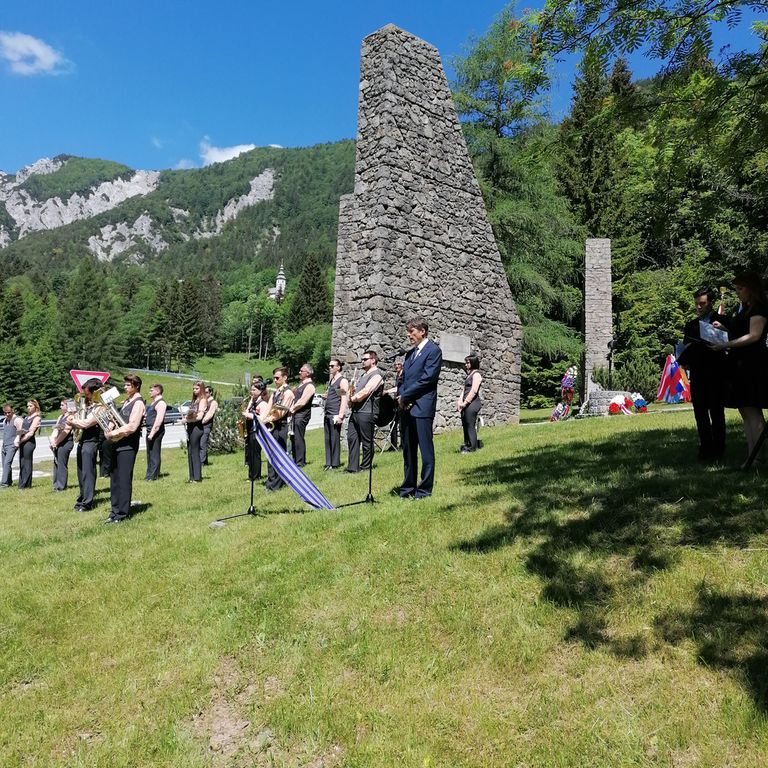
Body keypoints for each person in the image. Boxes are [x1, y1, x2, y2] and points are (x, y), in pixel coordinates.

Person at [711, 272, 768, 467]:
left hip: (753, 364)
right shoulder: (742, 309)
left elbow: (754, 335)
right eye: (736, 289)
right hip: (739, 364)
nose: (737, 292)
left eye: (740, 288)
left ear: (751, 288)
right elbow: (740, 331)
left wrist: (726, 345)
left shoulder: (759, 309)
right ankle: (751, 455)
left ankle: (758, 457)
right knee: (745, 410)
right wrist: (724, 329)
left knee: (753, 410)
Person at [677, 288, 726, 460]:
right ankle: (705, 447)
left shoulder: (721, 320)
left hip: (716, 372)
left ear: (710, 302)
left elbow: (728, 342)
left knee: (716, 411)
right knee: (700, 412)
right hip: (697, 372)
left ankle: (719, 448)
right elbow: (686, 346)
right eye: (696, 304)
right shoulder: (691, 325)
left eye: (702, 303)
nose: (699, 307)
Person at [398, 317, 442, 499]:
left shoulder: (433, 351)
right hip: (406, 408)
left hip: (422, 407)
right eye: (408, 332)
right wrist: (401, 395)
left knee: (425, 450)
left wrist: (406, 396)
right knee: (408, 451)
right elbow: (402, 379)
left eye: (412, 331)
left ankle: (424, 490)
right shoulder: (409, 354)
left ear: (423, 331)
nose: (409, 335)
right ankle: (408, 488)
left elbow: (427, 379)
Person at [103, 374, 145, 524]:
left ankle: (122, 513)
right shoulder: (127, 402)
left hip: (128, 445)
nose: (125, 387)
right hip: (117, 444)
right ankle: (114, 511)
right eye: (125, 384)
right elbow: (117, 420)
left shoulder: (138, 403)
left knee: (124, 479)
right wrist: (110, 426)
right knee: (115, 479)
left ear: (136, 386)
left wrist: (113, 433)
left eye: (128, 385)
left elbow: (132, 426)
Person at [346, 351, 384, 473]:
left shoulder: (377, 375)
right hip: (356, 411)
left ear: (373, 360)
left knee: (367, 441)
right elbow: (357, 390)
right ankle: (352, 467)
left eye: (365, 359)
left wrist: (353, 398)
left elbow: (366, 391)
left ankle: (366, 467)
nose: (362, 361)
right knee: (352, 438)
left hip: (367, 412)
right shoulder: (362, 376)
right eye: (362, 359)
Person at [68, 379, 102, 512]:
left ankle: (87, 502)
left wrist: (73, 421)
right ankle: (82, 498)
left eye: (87, 393)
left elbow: (86, 423)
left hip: (91, 441)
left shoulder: (100, 406)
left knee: (88, 472)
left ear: (94, 392)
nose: (85, 396)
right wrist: (72, 417)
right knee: (81, 472)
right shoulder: (86, 405)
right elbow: (79, 419)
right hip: (82, 441)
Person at [265, 367, 294, 491]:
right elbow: (268, 408)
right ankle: (270, 481)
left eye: (277, 378)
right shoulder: (275, 392)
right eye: (274, 378)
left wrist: (266, 420)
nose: (275, 380)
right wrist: (261, 419)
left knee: (279, 455)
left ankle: (277, 484)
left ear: (285, 378)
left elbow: (280, 413)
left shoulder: (288, 393)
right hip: (271, 425)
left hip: (280, 426)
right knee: (270, 455)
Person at [323, 359, 349, 470]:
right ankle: (328, 462)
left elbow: (343, 398)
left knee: (334, 438)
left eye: (332, 366)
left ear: (338, 367)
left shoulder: (342, 381)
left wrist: (341, 415)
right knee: (327, 439)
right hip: (327, 413)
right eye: (329, 366)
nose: (330, 367)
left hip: (335, 413)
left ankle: (335, 463)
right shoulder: (331, 380)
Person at [289, 363, 316, 467]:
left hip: (302, 414)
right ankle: (295, 459)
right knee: (294, 437)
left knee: (298, 437)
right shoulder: (301, 384)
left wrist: (292, 409)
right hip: (296, 414)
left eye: (301, 371)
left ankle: (300, 461)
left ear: (308, 373)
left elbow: (303, 401)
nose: (299, 372)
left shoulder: (310, 386)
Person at [244, 381, 270, 480]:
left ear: (260, 391)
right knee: (250, 453)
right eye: (251, 390)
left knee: (255, 453)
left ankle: (256, 475)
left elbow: (262, 418)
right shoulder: (253, 402)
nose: (252, 392)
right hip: (250, 429)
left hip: (257, 431)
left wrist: (249, 415)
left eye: (254, 390)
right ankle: (251, 475)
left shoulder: (263, 404)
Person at [457, 353, 482, 453]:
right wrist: (460, 401)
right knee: (465, 424)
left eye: (467, 363)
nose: (465, 364)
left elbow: (474, 390)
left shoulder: (476, 375)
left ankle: (472, 447)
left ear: (473, 363)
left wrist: (465, 402)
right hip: (466, 404)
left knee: (470, 424)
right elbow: (464, 390)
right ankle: (467, 444)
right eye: (465, 362)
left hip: (473, 403)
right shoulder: (469, 375)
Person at [184, 380, 208, 483]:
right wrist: (187, 416)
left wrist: (188, 420)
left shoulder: (202, 400)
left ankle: (197, 477)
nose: (194, 390)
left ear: (201, 389)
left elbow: (199, 417)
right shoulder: (195, 400)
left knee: (194, 452)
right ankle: (192, 476)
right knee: (190, 452)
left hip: (197, 427)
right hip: (191, 427)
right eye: (193, 388)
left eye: (197, 388)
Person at [50, 399, 75, 491]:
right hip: (58, 441)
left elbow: (66, 431)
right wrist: (52, 440)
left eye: (62, 405)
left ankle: (61, 486)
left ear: (68, 406)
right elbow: (56, 429)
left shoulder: (71, 417)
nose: (60, 407)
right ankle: (56, 484)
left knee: (61, 463)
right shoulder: (61, 416)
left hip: (66, 442)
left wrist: (56, 442)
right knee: (56, 462)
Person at [17, 399, 42, 489]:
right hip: (22, 441)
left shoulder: (37, 418)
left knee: (27, 463)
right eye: (27, 406)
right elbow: (21, 430)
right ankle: (21, 484)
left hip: (29, 442)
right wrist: (18, 437)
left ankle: (26, 484)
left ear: (35, 407)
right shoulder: (27, 417)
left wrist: (21, 441)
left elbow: (31, 432)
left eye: (31, 406)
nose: (28, 408)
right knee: (22, 462)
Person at [144, 383, 167, 481]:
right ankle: (149, 474)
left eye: (151, 390)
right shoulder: (153, 403)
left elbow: (159, 420)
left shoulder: (161, 403)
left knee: (154, 453)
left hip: (156, 432)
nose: (150, 392)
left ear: (158, 391)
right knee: (150, 453)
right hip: (149, 430)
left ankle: (153, 476)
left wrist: (152, 433)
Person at [384, 359, 404, 450]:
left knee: (402, 424)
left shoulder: (403, 375)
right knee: (393, 423)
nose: (396, 366)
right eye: (395, 365)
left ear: (402, 365)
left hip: (402, 402)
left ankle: (403, 445)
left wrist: (387, 391)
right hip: (396, 402)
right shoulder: (397, 375)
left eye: (398, 364)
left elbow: (398, 388)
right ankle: (393, 445)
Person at [1, 403, 21, 488]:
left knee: (7, 463)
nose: (7, 414)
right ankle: (9, 481)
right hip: (4, 445)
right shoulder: (5, 421)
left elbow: (20, 430)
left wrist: (17, 439)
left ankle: (4, 483)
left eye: (9, 412)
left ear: (12, 411)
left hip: (12, 445)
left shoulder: (17, 420)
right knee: (4, 464)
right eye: (5, 413)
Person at [200, 386, 219, 466]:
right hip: (201, 424)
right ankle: (205, 461)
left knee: (203, 443)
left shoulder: (213, 402)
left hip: (206, 425)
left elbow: (210, 414)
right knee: (201, 443)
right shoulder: (204, 401)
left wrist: (202, 421)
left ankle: (202, 462)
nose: (205, 394)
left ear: (210, 393)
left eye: (206, 392)